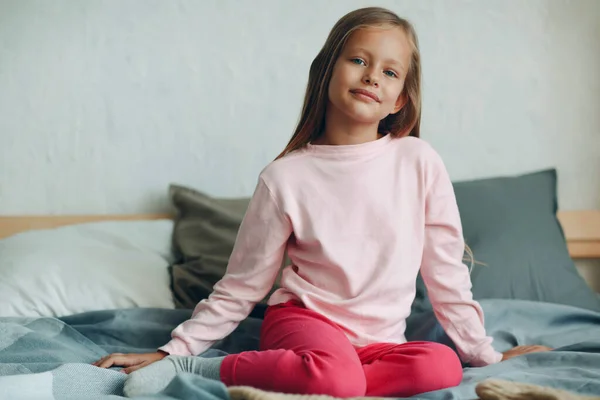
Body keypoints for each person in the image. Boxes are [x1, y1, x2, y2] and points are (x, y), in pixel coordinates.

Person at [93, 6, 551, 398]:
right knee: (339, 376)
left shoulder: (419, 161)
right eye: (358, 60)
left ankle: (334, 382)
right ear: (328, 69)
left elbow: (446, 275)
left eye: (390, 71)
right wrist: (173, 351)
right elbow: (241, 286)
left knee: (442, 366)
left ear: (400, 100)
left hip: (379, 343)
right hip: (303, 321)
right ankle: (206, 370)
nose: (373, 75)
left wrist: (486, 357)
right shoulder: (284, 177)